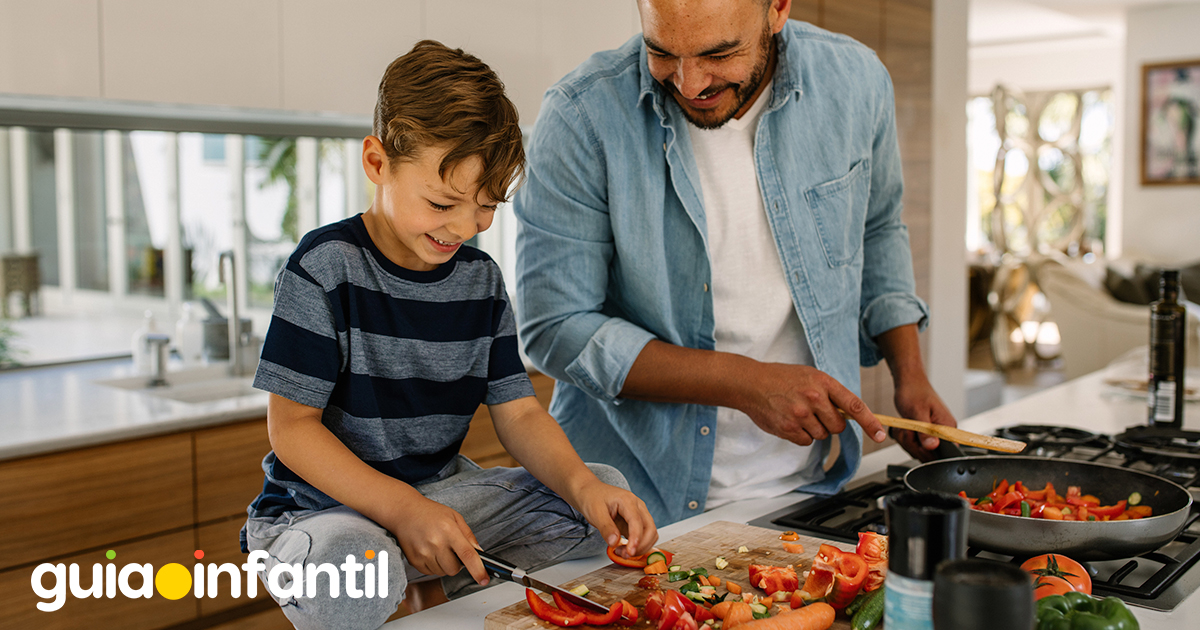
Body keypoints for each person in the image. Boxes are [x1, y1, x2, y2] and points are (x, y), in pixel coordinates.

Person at [241, 40, 657, 630]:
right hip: (320, 514)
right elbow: (292, 431)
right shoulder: (324, 266)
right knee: (352, 572)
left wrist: (582, 485)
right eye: (442, 203)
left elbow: (520, 414)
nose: (464, 227)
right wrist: (402, 509)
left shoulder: (481, 280)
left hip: (438, 498)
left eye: (486, 206)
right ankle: (411, 577)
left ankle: (428, 580)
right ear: (378, 164)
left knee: (600, 496)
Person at [513, 0, 956, 527]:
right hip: (629, 504)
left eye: (719, 54)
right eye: (661, 52)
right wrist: (744, 382)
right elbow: (554, 328)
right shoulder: (581, 115)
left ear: (777, 9)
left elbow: (878, 228)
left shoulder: (856, 81)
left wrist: (910, 373)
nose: (689, 83)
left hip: (804, 493)